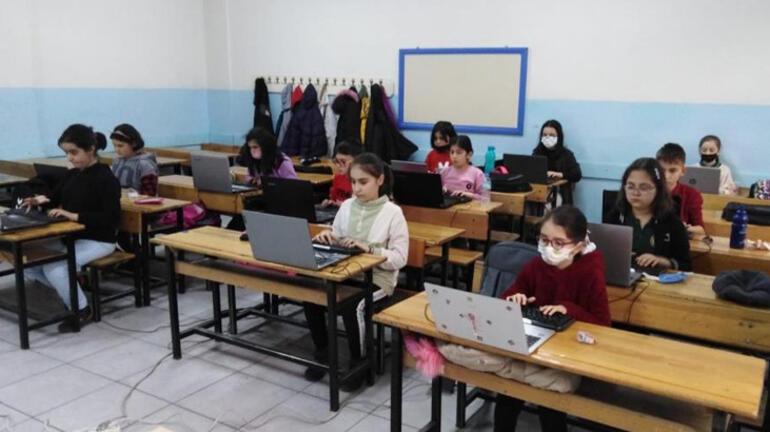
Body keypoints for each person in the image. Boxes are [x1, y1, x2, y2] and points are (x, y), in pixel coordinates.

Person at [496, 205, 610, 432]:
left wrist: (568, 309)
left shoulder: (590, 272)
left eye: (558, 242)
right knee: (508, 392)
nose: (548, 247)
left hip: (568, 352)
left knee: (550, 403)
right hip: (535, 343)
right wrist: (515, 298)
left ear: (578, 246)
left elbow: (603, 324)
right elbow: (510, 294)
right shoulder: (537, 265)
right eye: (544, 239)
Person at [304, 153, 409, 391]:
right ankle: (322, 353)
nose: (357, 188)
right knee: (310, 293)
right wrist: (328, 236)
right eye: (353, 182)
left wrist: (370, 249)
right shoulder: (347, 206)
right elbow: (338, 234)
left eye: (363, 182)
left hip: (379, 280)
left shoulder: (393, 213)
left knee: (354, 307)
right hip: (346, 274)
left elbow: (400, 258)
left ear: (380, 180)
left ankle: (359, 363)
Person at [23, 124, 121, 332]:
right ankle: (74, 285)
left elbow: (112, 218)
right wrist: (38, 200)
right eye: (66, 153)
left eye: (74, 152)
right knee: (29, 263)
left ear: (91, 149)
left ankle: (82, 310)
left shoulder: (106, 178)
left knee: (56, 268)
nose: (70, 158)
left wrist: (73, 215)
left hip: (99, 240)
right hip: (71, 236)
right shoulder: (73, 174)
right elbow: (54, 197)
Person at [606, 157, 691, 271]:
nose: (635, 193)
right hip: (624, 276)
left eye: (644, 188)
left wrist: (663, 261)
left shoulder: (672, 222)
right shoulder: (615, 217)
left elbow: (686, 266)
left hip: (656, 280)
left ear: (658, 190)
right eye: (630, 187)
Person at [656, 143, 705, 236]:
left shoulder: (692, 194)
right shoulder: (649, 191)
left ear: (682, 171)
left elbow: (701, 229)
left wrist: (685, 228)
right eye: (661, 170)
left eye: (672, 170)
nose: (666, 176)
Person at [532, 120, 582, 205]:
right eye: (544, 135)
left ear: (559, 137)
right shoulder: (537, 152)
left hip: (559, 193)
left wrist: (560, 174)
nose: (548, 137)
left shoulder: (566, 154)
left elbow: (577, 175)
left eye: (552, 135)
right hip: (539, 192)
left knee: (553, 203)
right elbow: (531, 171)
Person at [110, 123, 159, 196]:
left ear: (134, 143)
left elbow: (150, 194)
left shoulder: (145, 165)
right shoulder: (116, 162)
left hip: (139, 202)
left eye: (120, 146)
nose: (116, 150)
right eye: (114, 145)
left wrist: (128, 194)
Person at [440, 135, 486, 200]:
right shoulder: (445, 172)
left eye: (459, 152)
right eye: (452, 152)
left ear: (469, 155)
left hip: (470, 206)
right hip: (449, 205)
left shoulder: (477, 174)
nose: (454, 156)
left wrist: (469, 195)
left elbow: (484, 198)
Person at [321, 140, 362, 207]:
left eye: (343, 162)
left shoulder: (362, 182)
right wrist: (329, 202)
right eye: (336, 161)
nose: (338, 165)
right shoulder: (337, 178)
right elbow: (334, 199)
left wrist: (344, 205)